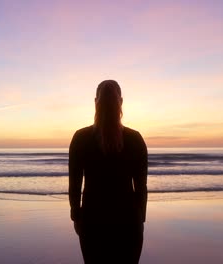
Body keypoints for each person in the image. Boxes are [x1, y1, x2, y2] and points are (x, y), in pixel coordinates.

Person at [68, 80, 148, 264]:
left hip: (93, 220)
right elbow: (141, 187)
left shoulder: (80, 138)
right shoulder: (135, 139)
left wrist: (76, 215)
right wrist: (140, 218)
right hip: (128, 221)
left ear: (95, 101)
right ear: (121, 101)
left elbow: (75, 185)